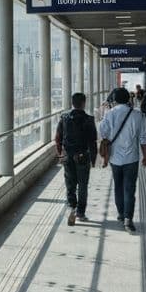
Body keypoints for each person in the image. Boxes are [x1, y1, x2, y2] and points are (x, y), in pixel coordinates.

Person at [99, 86, 146, 232]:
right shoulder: (138, 115)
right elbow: (143, 138)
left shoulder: (110, 114)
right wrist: (145, 156)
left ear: (114, 100)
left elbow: (103, 132)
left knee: (118, 186)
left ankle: (121, 214)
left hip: (115, 158)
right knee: (130, 188)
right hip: (132, 158)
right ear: (128, 98)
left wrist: (104, 114)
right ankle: (128, 219)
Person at [54, 91, 98, 225]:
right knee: (83, 185)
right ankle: (81, 213)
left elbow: (58, 138)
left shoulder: (64, 118)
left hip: (68, 156)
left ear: (72, 103)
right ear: (84, 103)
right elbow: (93, 141)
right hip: (83, 155)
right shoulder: (89, 119)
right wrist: (93, 159)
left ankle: (71, 207)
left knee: (70, 184)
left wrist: (60, 154)